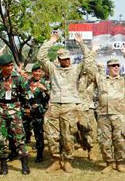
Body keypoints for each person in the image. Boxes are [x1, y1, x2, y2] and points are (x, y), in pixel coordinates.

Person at [37, 32, 93, 173]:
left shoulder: (76, 69)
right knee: (52, 136)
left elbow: (88, 60)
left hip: (70, 106)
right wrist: (51, 41)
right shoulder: (53, 69)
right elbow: (40, 57)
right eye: (63, 59)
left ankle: (67, 161)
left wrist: (81, 43)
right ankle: (56, 160)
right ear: (59, 60)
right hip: (55, 105)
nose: (66, 61)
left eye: (68, 58)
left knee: (68, 135)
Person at [89, 44, 125, 173]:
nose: (116, 67)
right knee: (105, 141)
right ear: (108, 68)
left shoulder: (123, 80)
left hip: (118, 115)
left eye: (117, 65)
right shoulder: (100, 79)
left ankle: (120, 163)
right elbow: (89, 68)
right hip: (103, 115)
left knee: (120, 140)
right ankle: (109, 163)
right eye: (113, 66)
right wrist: (93, 52)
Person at [0, 54, 31, 175]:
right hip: (0, 110)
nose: (10, 67)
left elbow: (26, 94)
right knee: (1, 139)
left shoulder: (18, 78)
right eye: (8, 66)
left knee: (19, 137)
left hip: (15, 110)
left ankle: (24, 165)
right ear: (1, 67)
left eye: (11, 65)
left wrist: (26, 108)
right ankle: (3, 166)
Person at [26, 63, 51, 163]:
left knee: (43, 133)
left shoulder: (46, 83)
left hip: (42, 112)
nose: (37, 73)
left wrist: (45, 89)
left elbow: (52, 96)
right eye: (35, 71)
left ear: (42, 73)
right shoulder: (27, 82)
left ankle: (44, 153)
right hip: (29, 112)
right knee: (31, 133)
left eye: (39, 71)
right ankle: (37, 153)